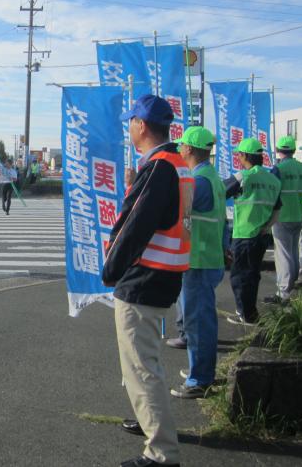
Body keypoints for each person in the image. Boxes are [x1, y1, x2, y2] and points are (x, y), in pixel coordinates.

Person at [102, 94, 193, 467]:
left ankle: (160, 454)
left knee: (142, 367)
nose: (129, 128)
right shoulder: (177, 164)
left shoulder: (158, 167)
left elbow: (135, 227)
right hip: (164, 275)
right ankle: (150, 425)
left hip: (144, 277)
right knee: (147, 362)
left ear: (141, 125)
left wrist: (111, 269)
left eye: (131, 122)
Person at [169, 127, 226, 399]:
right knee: (201, 319)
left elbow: (177, 210)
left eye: (182, 146)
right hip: (207, 255)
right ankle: (200, 370)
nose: (179, 149)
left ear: (189, 149)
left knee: (198, 322)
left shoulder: (199, 181)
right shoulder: (210, 176)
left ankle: (200, 379)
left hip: (199, 259)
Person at [224, 138, 281, 325]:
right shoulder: (273, 179)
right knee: (253, 274)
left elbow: (219, 192)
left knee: (240, 276)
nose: (238, 157)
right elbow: (277, 209)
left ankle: (245, 314)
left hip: (243, 235)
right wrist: (267, 227)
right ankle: (251, 313)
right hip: (262, 235)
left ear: (244, 156)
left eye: (239, 154)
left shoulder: (243, 177)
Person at [264, 136, 302, 303]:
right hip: (298, 214)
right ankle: (294, 285)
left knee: (283, 255)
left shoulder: (278, 169)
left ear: (279, 150)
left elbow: (272, 193)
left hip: (282, 215)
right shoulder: (301, 167)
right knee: (294, 252)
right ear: (293, 150)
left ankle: (284, 292)